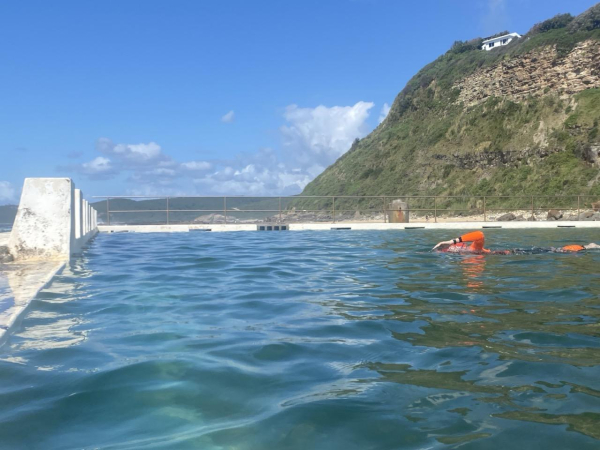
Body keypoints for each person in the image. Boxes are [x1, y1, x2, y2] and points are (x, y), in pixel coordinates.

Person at [432, 230, 600, 254]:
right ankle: (586, 247)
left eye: (453, 248)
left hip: (518, 253)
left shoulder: (474, 249)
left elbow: (479, 234)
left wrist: (450, 240)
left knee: (557, 251)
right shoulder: (469, 257)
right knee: (555, 251)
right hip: (512, 255)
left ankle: (587, 246)